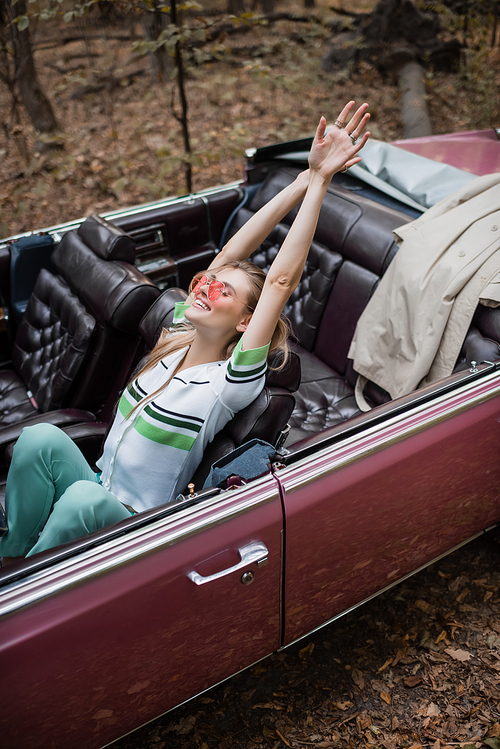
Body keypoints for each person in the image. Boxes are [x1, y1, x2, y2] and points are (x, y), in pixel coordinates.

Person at [0, 101, 370, 563]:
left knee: (81, 502)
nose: (208, 289)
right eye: (207, 283)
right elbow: (233, 250)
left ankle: (24, 586)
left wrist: (320, 182)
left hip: (137, 525)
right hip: (100, 484)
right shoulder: (175, 336)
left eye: (225, 293)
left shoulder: (229, 382)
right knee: (38, 439)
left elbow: (279, 281)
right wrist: (300, 177)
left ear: (244, 323)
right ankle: (11, 554)